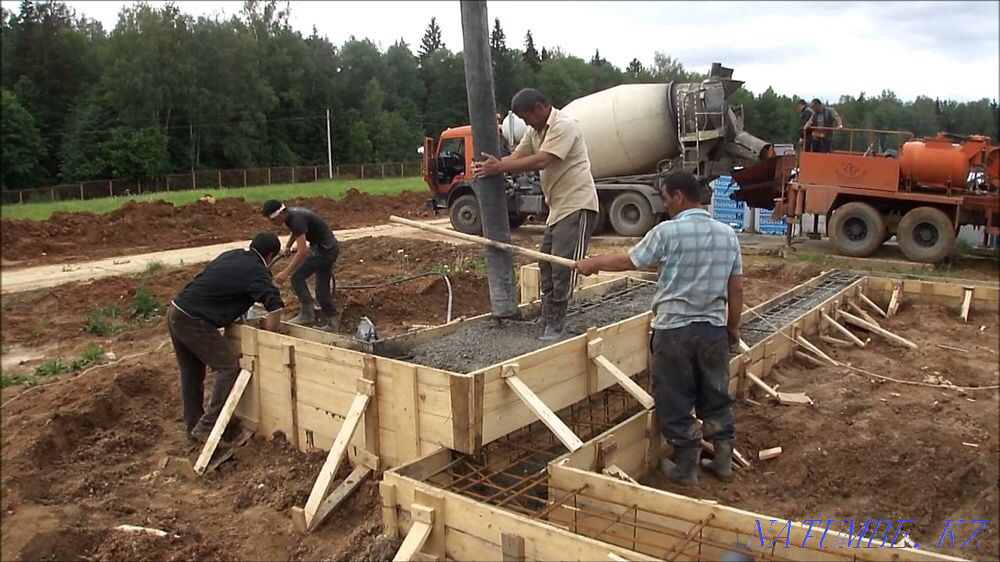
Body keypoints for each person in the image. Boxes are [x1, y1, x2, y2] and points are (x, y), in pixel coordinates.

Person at [575, 171, 743, 486]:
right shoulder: (727, 235)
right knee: (716, 395)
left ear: (679, 195)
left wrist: (593, 263)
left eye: (665, 197)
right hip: (712, 332)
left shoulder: (666, 232)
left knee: (676, 398)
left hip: (674, 332)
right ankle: (722, 462)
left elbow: (630, 260)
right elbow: (736, 289)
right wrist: (732, 328)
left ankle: (685, 469)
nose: (664, 204)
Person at [473, 88, 600, 340]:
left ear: (540, 107)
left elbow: (542, 160)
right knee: (545, 262)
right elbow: (518, 156)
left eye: (526, 117)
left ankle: (557, 323)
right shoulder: (535, 131)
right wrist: (493, 165)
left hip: (577, 204)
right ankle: (548, 313)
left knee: (563, 266)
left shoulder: (563, 125)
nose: (525, 123)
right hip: (557, 208)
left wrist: (500, 167)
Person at [168, 232, 285, 443]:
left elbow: (224, 287)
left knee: (191, 373)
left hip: (177, 310)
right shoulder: (257, 271)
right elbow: (275, 306)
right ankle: (207, 426)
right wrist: (270, 334)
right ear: (270, 256)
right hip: (193, 320)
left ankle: (194, 426)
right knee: (228, 366)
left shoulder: (233, 255)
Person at [262, 199, 341, 331]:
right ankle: (333, 321)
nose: (272, 224)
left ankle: (307, 314)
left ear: (280, 215)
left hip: (325, 251)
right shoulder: (291, 216)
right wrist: (287, 246)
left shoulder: (296, 219)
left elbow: (303, 251)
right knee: (322, 292)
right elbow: (296, 232)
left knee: (296, 277)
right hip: (326, 248)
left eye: (272, 220)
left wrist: (286, 272)